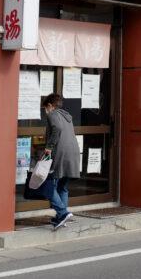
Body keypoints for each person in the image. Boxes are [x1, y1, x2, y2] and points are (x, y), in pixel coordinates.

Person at [43, 93, 80, 229]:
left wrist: (49, 147)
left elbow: (56, 129)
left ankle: (63, 213)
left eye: (46, 108)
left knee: (48, 187)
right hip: (73, 153)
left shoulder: (53, 114)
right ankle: (61, 217)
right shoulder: (66, 116)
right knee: (62, 187)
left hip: (61, 153)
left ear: (50, 105)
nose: (46, 111)